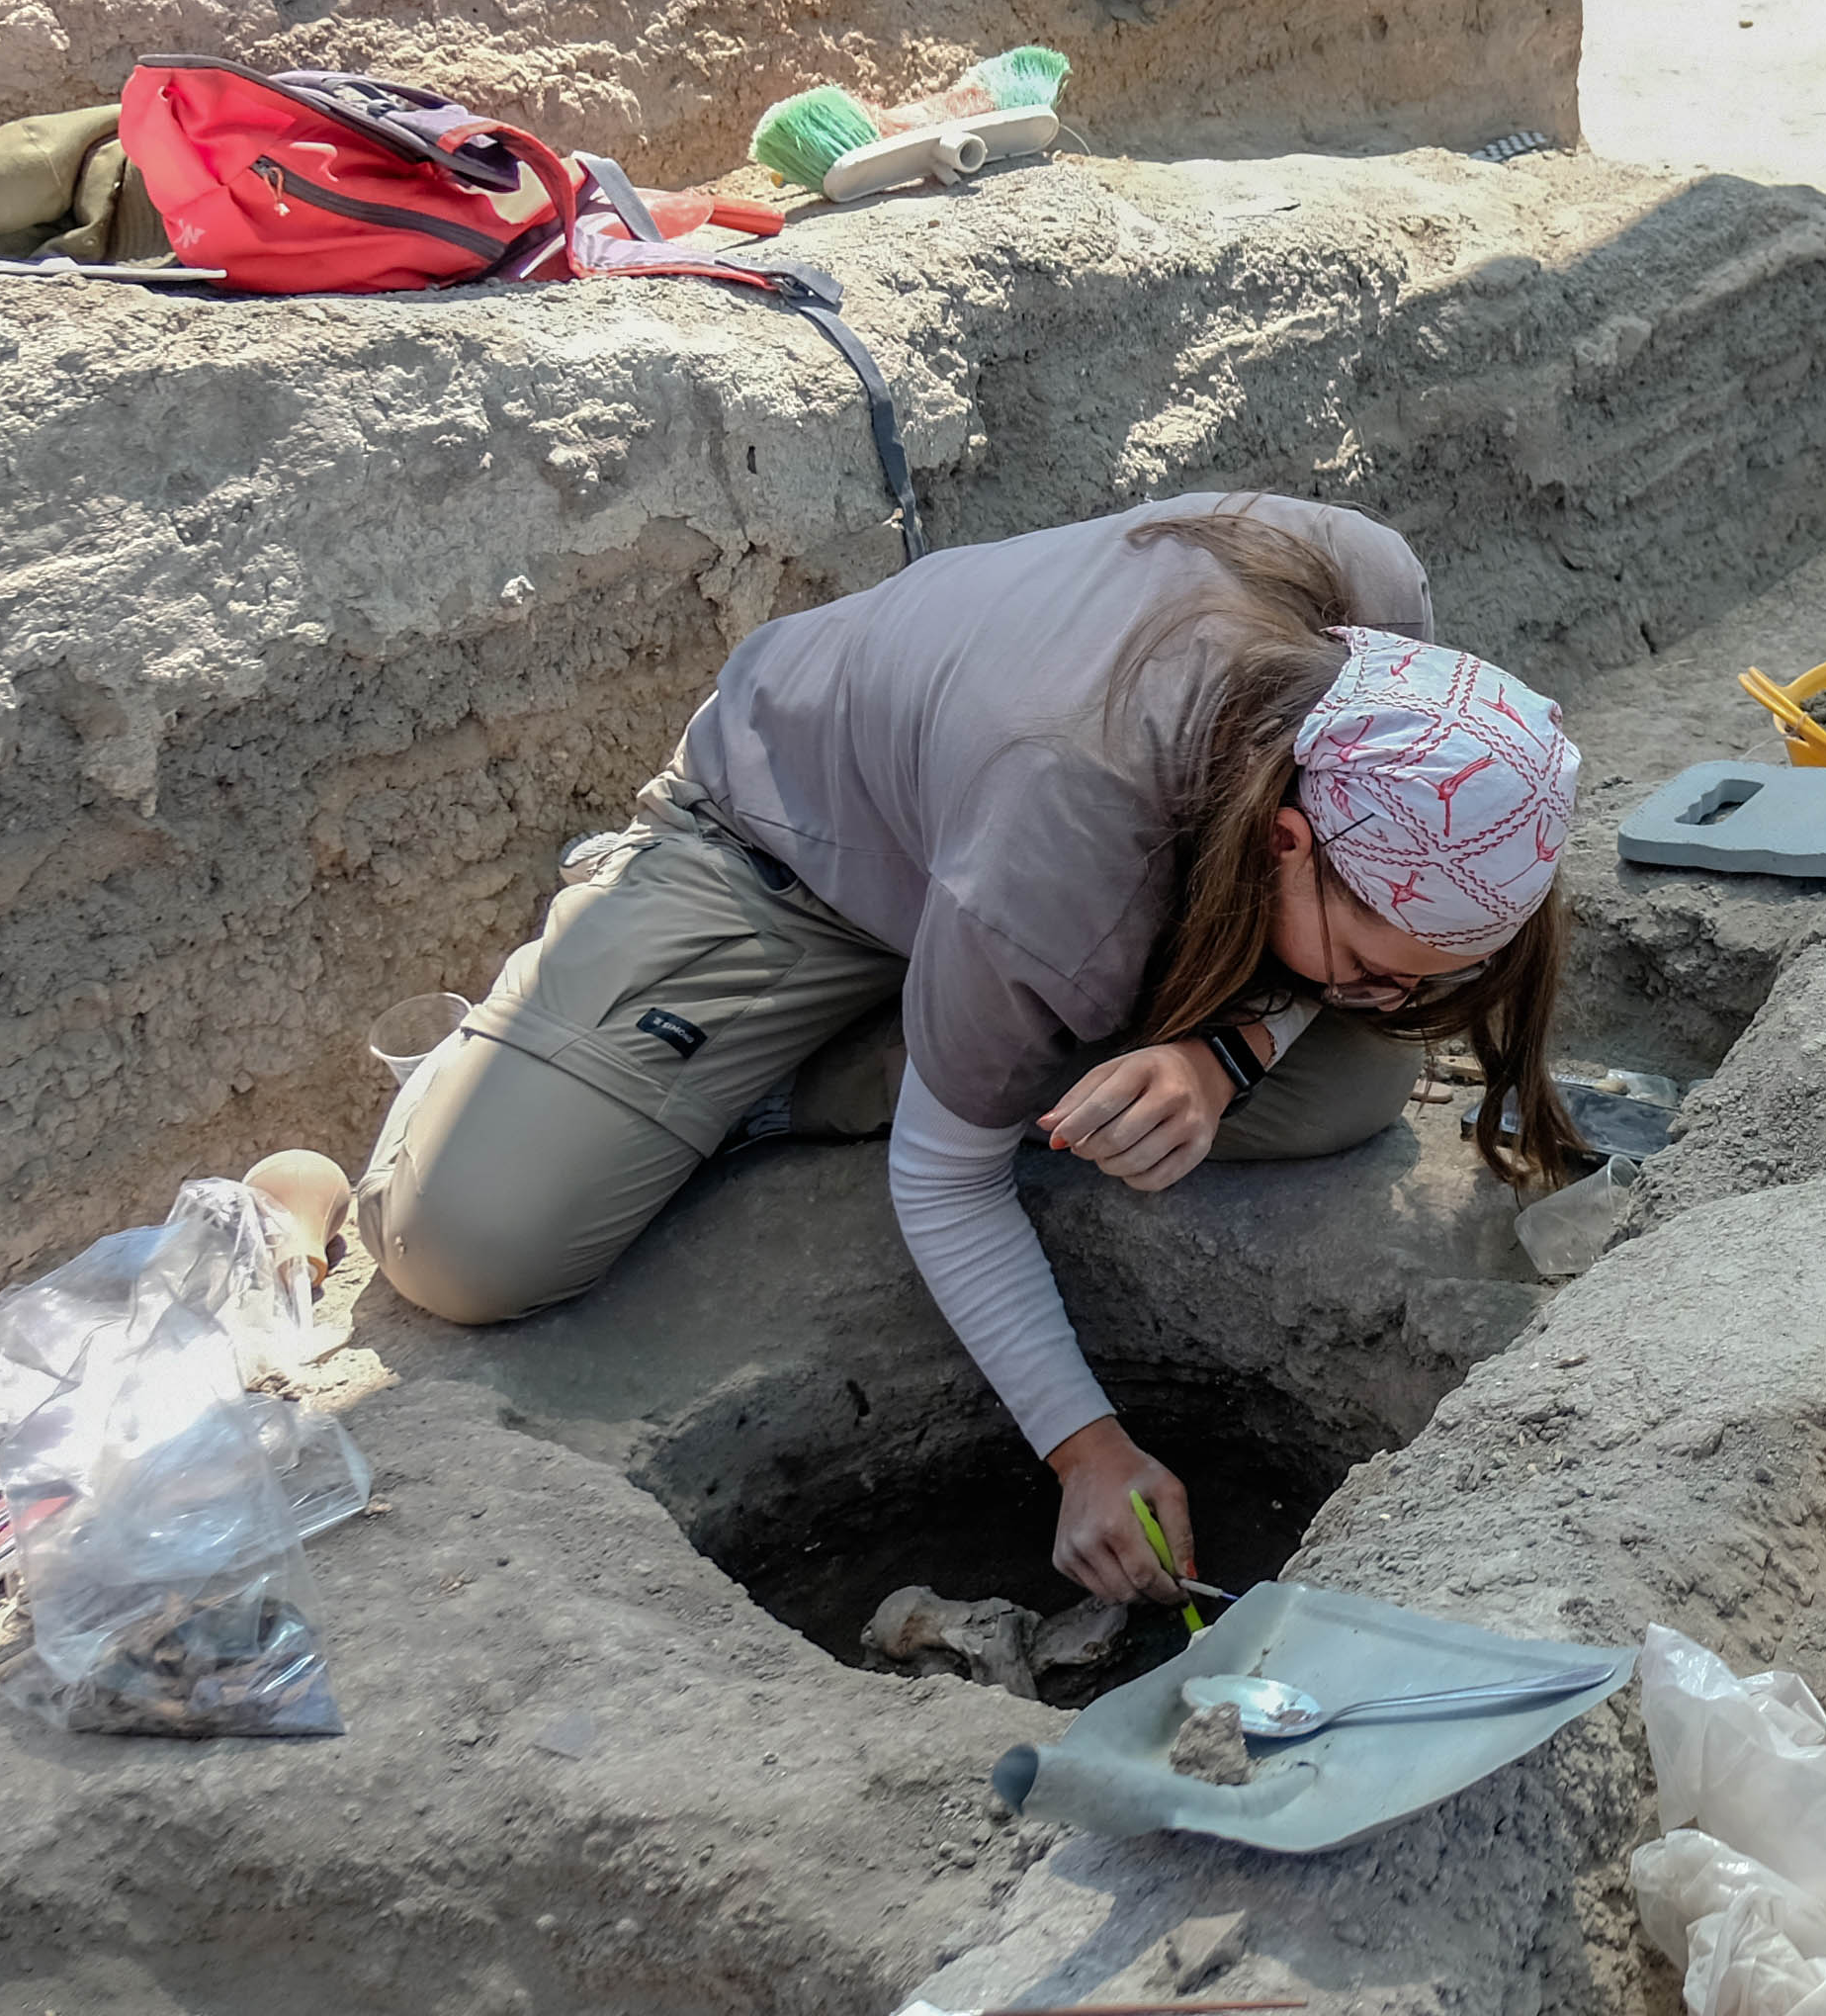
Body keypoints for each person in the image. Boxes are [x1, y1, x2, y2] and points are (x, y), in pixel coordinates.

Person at [364, 495, 1582, 1605]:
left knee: (1347, 1084)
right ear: (1285, 839)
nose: (1391, 991)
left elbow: (1326, 960)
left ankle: (896, 1053)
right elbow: (947, 1183)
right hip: (788, 854)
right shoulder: (1065, 832)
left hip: (1029, 874)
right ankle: (687, 1030)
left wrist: (1226, 1053)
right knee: (469, 1241)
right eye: (1375, 963)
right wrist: (1087, 1450)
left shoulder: (1384, 621)